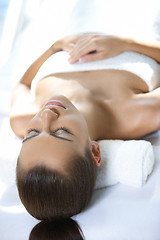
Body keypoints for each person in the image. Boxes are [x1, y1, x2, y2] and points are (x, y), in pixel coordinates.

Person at [10, 33, 160, 239]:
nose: (46, 115)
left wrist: (54, 47)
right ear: (94, 151)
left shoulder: (20, 119)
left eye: (33, 133)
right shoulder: (141, 114)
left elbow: (23, 85)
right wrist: (126, 43)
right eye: (61, 132)